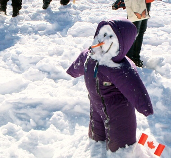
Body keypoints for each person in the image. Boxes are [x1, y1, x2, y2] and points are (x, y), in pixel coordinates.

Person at [66, 17, 153, 152]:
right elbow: (78, 65)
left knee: (119, 146)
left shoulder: (119, 68)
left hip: (118, 111)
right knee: (96, 137)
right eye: (103, 34)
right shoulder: (89, 56)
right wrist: (72, 71)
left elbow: (135, 87)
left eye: (110, 37)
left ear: (121, 43)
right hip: (96, 104)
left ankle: (123, 152)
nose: (104, 40)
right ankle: (97, 149)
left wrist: (145, 107)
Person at [126, 0, 154, 67]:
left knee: (141, 30)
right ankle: (128, 60)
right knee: (134, 31)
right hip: (136, 2)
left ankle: (135, 59)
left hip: (146, 2)